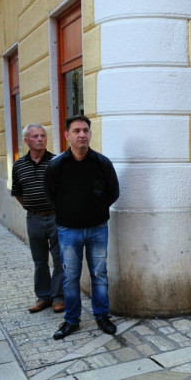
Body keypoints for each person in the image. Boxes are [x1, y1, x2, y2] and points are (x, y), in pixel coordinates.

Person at [44, 115, 119, 340]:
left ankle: (102, 316)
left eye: (85, 130)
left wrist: (94, 210)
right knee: (70, 277)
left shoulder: (102, 163)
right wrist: (70, 212)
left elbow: (113, 192)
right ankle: (71, 320)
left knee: (99, 275)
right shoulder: (57, 165)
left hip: (98, 228)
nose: (82, 134)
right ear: (67, 135)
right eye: (76, 131)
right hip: (68, 230)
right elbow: (50, 195)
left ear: (90, 134)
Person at [12, 124, 64, 314]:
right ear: (26, 141)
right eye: (35, 136)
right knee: (39, 260)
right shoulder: (19, 165)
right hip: (34, 218)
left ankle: (58, 297)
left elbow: (65, 190)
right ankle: (43, 297)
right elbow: (17, 192)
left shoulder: (57, 162)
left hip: (56, 217)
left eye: (43, 135)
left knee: (59, 259)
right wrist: (31, 207)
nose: (40, 139)